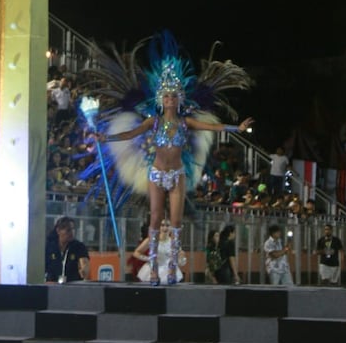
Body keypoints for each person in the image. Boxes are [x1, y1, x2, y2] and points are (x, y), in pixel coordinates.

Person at [92, 31, 252, 285]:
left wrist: (237, 128)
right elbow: (130, 133)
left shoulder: (186, 122)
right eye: (166, 96)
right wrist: (106, 138)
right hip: (156, 173)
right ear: (161, 99)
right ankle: (154, 268)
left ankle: (172, 266)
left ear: (179, 99)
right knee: (156, 219)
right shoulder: (153, 122)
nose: (170, 99)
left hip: (177, 174)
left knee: (176, 221)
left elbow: (213, 127)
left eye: (174, 96)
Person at [132, 216, 185, 284]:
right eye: (162, 225)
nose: (165, 228)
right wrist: (149, 259)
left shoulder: (174, 242)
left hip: (169, 271)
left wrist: (182, 258)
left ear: (171, 227)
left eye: (168, 225)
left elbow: (180, 262)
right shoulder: (151, 240)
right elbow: (136, 253)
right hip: (153, 270)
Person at [45, 216, 90, 283]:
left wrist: (84, 270)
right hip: (53, 284)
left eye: (73, 229)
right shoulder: (50, 247)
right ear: (58, 231)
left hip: (73, 285)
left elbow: (84, 263)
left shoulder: (79, 246)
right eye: (68, 230)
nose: (72, 232)